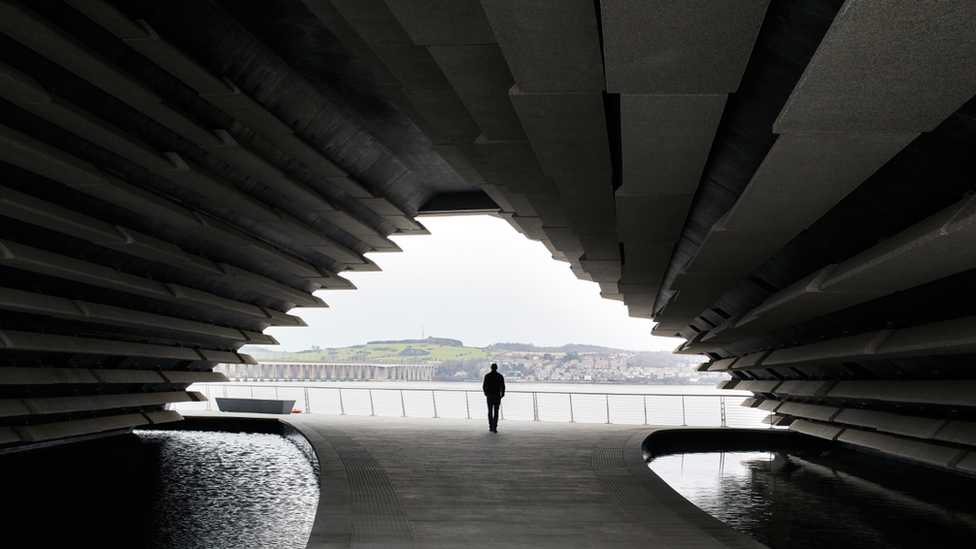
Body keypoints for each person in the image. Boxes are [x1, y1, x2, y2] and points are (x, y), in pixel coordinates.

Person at [482, 363, 505, 432]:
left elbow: (484, 386)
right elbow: (503, 386)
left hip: (490, 396)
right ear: (497, 368)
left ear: (491, 368)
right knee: (496, 412)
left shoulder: (487, 376)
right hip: (497, 396)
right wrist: (502, 394)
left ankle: (490, 426)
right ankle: (495, 426)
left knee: (490, 411)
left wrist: (486, 393)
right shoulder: (500, 376)